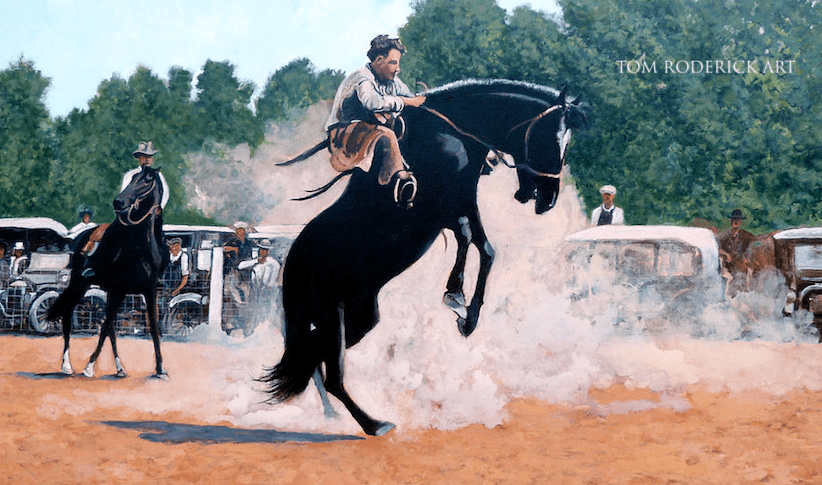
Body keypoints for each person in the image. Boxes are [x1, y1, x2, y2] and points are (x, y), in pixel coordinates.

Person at [325, 34, 426, 207]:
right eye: (393, 63)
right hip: (344, 135)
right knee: (386, 134)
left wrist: (417, 102)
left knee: (402, 124)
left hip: (368, 130)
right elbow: (372, 102)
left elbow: (410, 98)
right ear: (379, 60)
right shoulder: (362, 78)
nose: (398, 68)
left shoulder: (391, 81)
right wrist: (406, 102)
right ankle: (400, 182)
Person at [81, 141, 169, 277]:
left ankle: (160, 271)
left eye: (149, 156)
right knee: (111, 233)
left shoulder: (158, 176)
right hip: (130, 216)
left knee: (161, 243)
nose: (146, 159)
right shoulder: (131, 175)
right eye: (143, 156)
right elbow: (124, 195)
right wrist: (131, 208)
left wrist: (158, 208)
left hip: (151, 215)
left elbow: (165, 193)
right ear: (139, 158)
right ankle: (95, 265)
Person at [719, 209, 755, 276]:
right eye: (734, 220)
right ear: (731, 221)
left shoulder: (744, 234)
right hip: (727, 266)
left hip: (740, 265)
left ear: (740, 222)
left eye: (738, 220)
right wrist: (727, 254)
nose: (735, 222)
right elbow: (717, 248)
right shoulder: (725, 234)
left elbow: (756, 239)